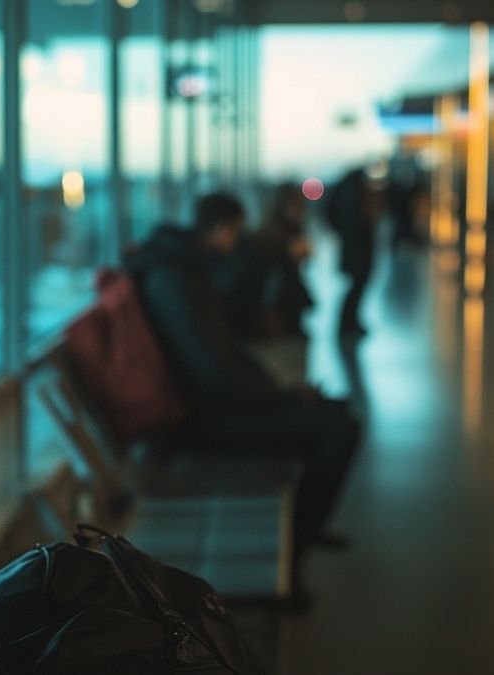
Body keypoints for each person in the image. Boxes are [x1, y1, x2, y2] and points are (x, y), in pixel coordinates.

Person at [124, 192, 361, 610]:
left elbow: (220, 361)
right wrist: (284, 398)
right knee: (339, 429)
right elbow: (214, 375)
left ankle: (303, 527)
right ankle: (293, 553)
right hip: (202, 421)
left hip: (207, 406)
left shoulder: (177, 272)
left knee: (335, 414)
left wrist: (284, 395)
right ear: (222, 229)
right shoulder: (176, 280)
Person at [254, 182, 314, 338]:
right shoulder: (277, 234)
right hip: (280, 301)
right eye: (294, 203)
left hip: (288, 298)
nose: (299, 208)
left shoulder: (289, 230)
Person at [324, 167, 379, 337]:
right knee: (357, 285)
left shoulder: (344, 191)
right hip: (358, 249)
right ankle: (348, 323)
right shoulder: (354, 194)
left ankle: (348, 322)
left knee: (354, 286)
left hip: (351, 247)